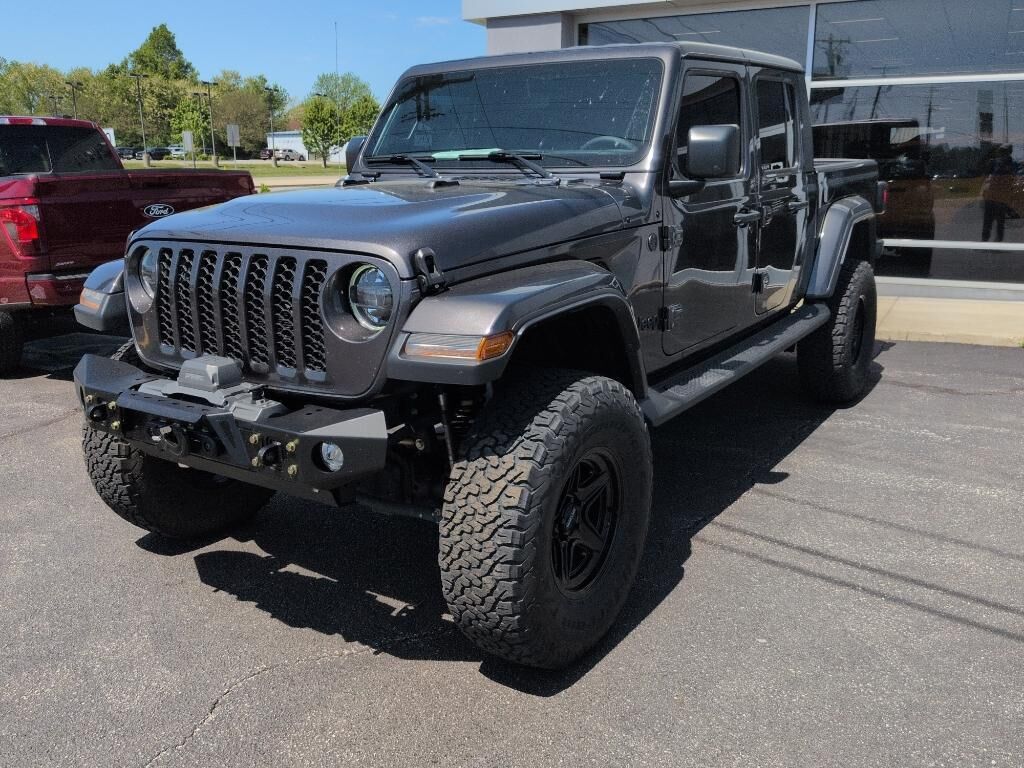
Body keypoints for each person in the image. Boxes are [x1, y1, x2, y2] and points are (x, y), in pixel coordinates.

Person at [981, 144, 1015, 242]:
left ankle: (989, 241)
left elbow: (985, 176)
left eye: (1003, 151)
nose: (1001, 153)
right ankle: (991, 241)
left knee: (992, 220)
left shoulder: (997, 162)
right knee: (996, 220)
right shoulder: (1007, 164)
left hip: (996, 195)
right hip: (996, 195)